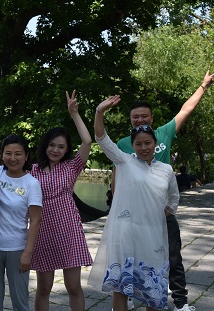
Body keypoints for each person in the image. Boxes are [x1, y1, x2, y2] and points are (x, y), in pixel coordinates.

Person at [114, 70, 214, 311]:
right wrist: (116, 206)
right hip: (134, 213)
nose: (140, 120)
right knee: (130, 256)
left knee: (172, 256)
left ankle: (180, 302)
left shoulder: (164, 133)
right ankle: (131, 294)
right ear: (130, 120)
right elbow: (117, 176)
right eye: (135, 117)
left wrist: (203, 86)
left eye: (144, 116)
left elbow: (185, 109)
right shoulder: (123, 144)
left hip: (161, 210)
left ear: (152, 117)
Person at [89, 95, 180, 311]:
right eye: (138, 144)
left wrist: (161, 214)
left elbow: (173, 198)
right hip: (125, 233)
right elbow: (101, 138)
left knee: (153, 286)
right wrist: (99, 111)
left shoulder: (166, 170)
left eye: (148, 143)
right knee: (121, 286)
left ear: (155, 144)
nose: (143, 147)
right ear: (133, 146)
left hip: (153, 235)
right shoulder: (124, 161)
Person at [29, 90, 93, 311]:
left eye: (61, 146)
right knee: (44, 287)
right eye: (52, 145)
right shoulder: (33, 171)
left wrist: (74, 114)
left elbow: (87, 141)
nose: (55, 150)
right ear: (45, 145)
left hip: (69, 230)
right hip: (42, 231)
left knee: (73, 286)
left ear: (66, 150)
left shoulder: (72, 167)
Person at [0, 134, 42, 311]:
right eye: (8, 153)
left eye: (18, 154)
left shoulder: (32, 183)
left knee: (20, 302)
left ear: (26, 156)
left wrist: (28, 253)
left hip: (17, 249)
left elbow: (35, 220)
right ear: (2, 155)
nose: (13, 158)